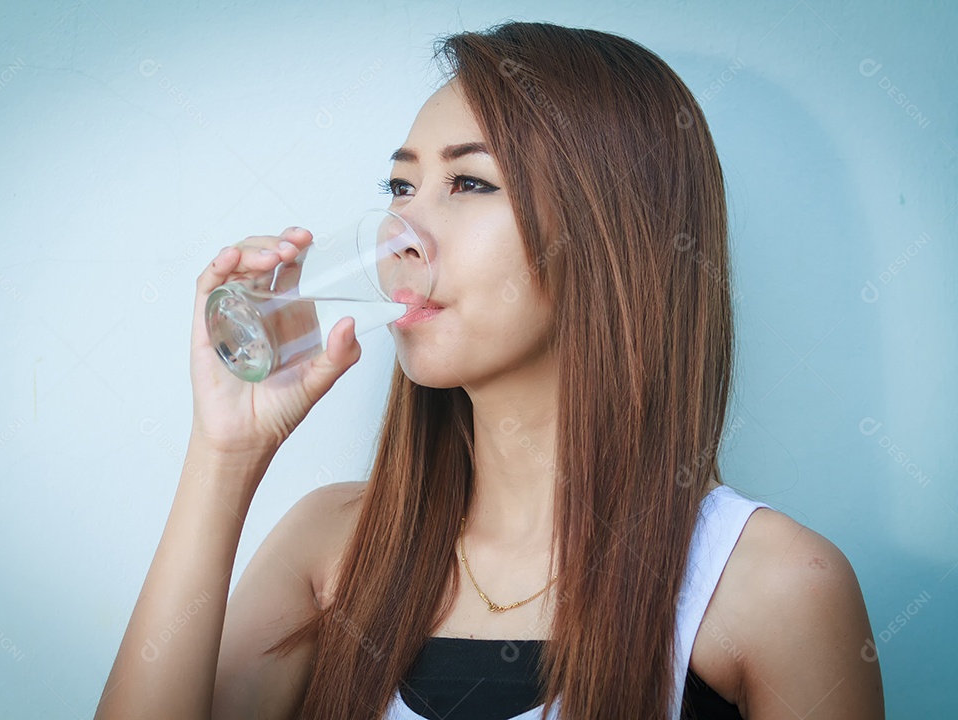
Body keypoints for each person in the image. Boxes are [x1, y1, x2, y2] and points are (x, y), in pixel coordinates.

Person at [96, 21, 885, 720]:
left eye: (469, 183)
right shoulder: (330, 547)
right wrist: (224, 456)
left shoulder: (778, 587)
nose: (403, 234)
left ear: (612, 233)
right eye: (401, 187)